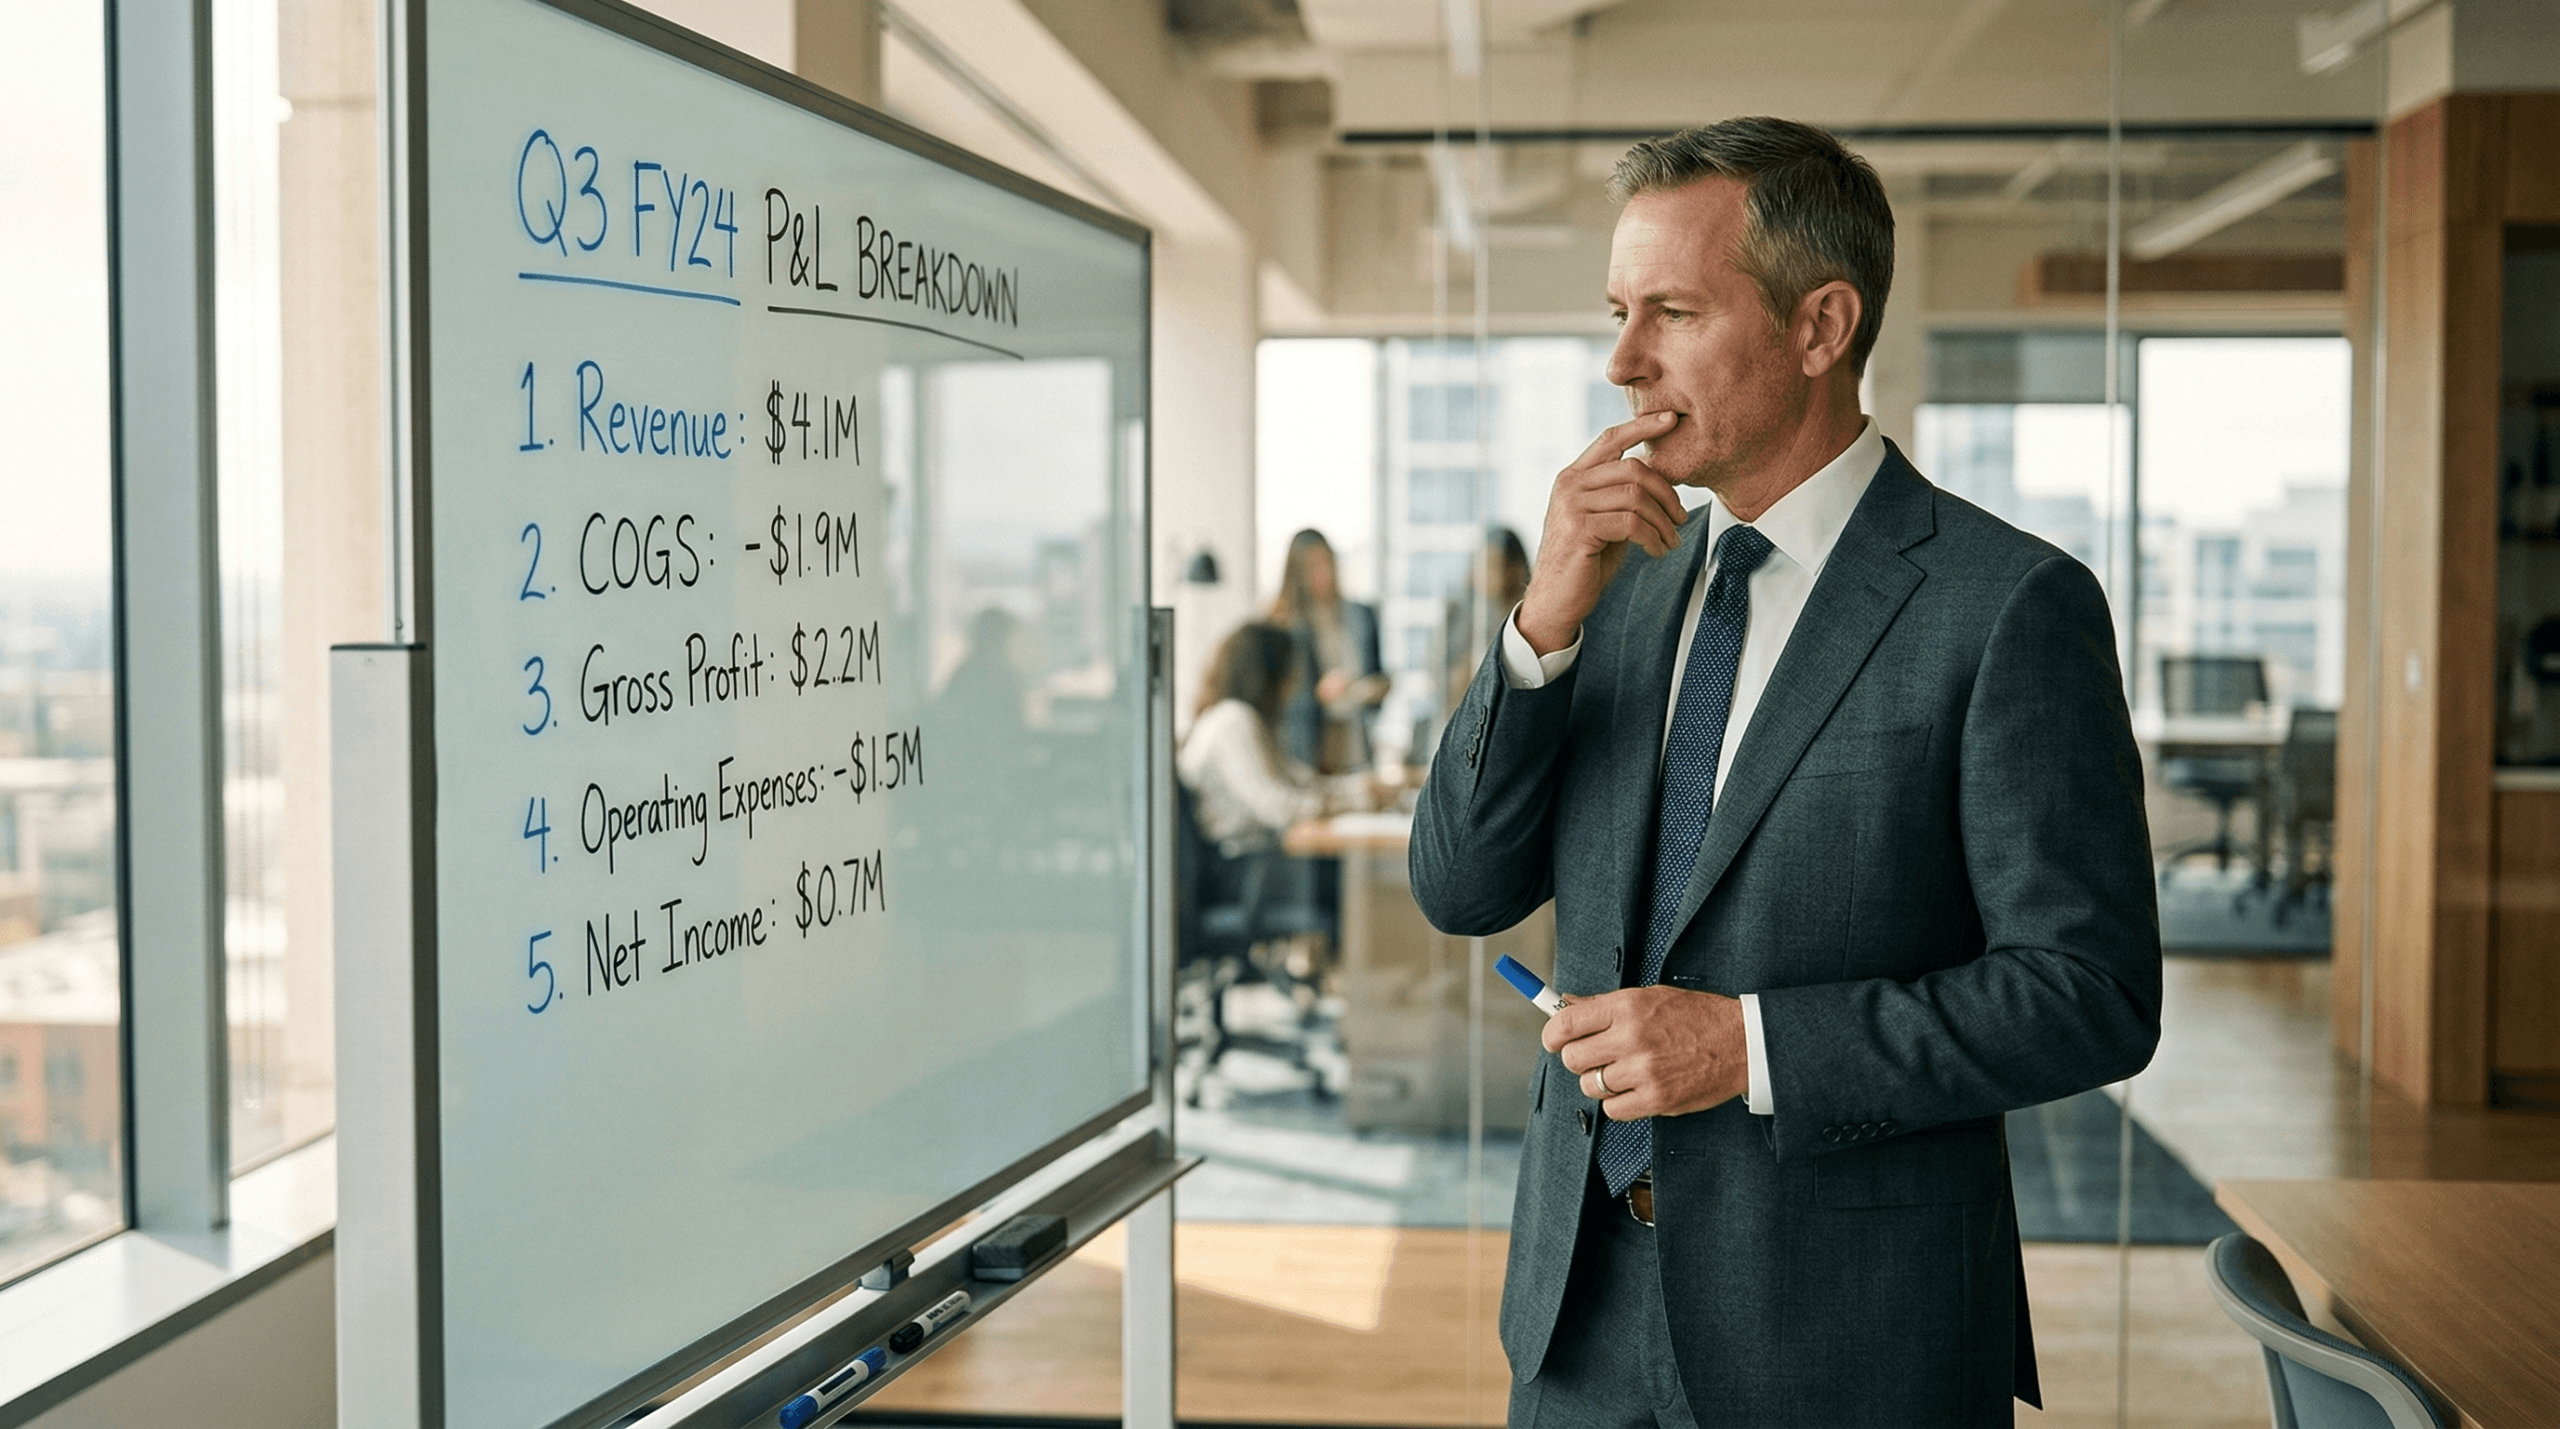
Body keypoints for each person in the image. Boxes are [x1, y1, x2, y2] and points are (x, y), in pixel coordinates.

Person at [1408, 117, 2161, 1428]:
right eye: (1617, 313)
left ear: (1820, 328)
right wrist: (1540, 627)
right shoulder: (1623, 583)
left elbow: (2089, 994)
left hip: (1849, 1335)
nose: (1621, 361)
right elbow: (1462, 885)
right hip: (1578, 1312)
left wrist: (1745, 1045)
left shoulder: (2007, 605)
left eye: (1672, 313)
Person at [1181, 621, 1375, 853]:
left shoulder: (1244, 718)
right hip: (1240, 863)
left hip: (1253, 857)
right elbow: (1277, 807)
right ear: (1267, 676)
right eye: (1289, 675)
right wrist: (1356, 801)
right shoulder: (1233, 721)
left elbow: (1296, 780)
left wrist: (1358, 790)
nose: (1292, 687)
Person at [1268, 529, 1388, 774]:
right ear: (1297, 572)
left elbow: (1378, 676)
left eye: (1327, 562)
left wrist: (1371, 689)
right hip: (1306, 750)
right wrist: (1317, 694)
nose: (1324, 574)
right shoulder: (1284, 625)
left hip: (1355, 745)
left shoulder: (1360, 617)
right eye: (1313, 566)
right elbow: (1276, 698)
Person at [1444, 526, 1532, 715]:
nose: (1483, 574)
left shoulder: (1529, 616)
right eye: (1479, 565)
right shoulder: (1457, 614)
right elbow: (1440, 678)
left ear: (1516, 569)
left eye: (1493, 565)